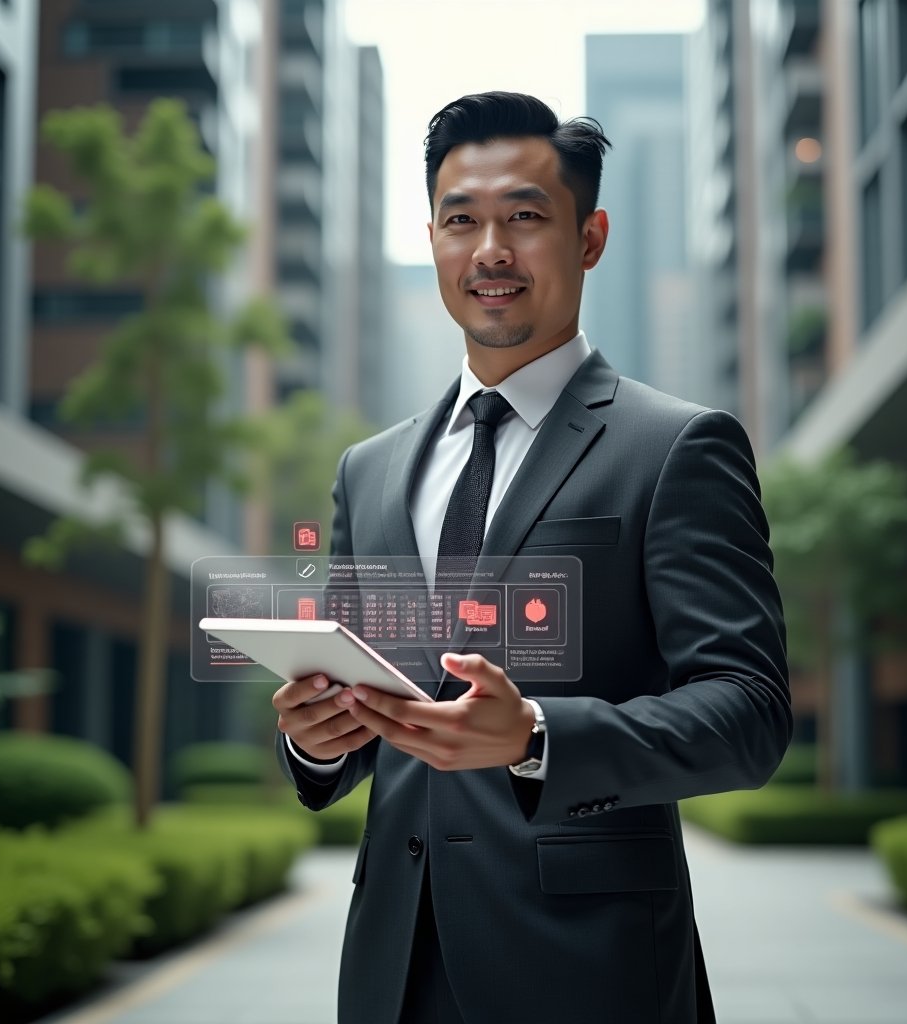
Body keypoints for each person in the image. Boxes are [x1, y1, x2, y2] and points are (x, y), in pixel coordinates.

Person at [273, 91, 791, 1024]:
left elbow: (748, 712)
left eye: (524, 217)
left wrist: (539, 737)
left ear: (589, 238)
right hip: (393, 969)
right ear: (432, 238)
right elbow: (370, 709)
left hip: (590, 970)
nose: (490, 251)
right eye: (460, 220)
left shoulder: (676, 446)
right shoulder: (369, 470)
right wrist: (316, 741)